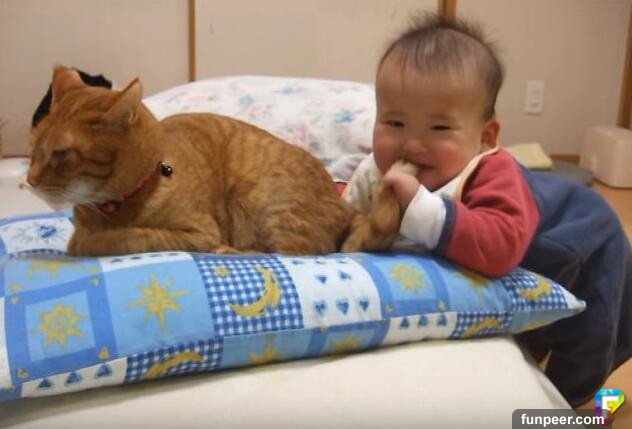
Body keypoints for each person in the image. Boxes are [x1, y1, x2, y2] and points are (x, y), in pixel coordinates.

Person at [344, 13, 632, 407]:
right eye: (394, 122)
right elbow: (345, 224)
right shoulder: (375, 172)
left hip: (578, 239)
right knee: (528, 333)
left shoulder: (492, 171)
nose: (411, 143)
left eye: (439, 128)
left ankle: (581, 406)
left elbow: (499, 248)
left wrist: (421, 209)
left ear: (485, 137)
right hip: (531, 244)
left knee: (587, 344)